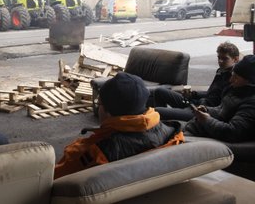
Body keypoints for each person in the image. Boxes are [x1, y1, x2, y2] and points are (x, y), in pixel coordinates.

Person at [54, 72, 184, 179]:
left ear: (108, 112)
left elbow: (54, 179)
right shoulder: (173, 132)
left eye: (99, 103)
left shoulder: (94, 152)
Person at [154, 41, 240, 121]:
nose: (220, 61)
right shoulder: (221, 71)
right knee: (159, 91)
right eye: (219, 58)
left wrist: (201, 106)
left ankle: (160, 123)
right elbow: (212, 92)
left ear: (235, 59)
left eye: (225, 59)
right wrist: (193, 94)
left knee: (157, 111)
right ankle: (161, 123)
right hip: (196, 103)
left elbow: (221, 104)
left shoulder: (236, 79)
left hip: (202, 111)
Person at [184, 55, 255, 142]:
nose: (231, 80)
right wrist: (207, 110)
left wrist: (206, 120)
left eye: (236, 77)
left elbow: (232, 132)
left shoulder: (251, 103)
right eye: (233, 75)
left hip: (209, 140)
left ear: (250, 81)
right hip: (197, 129)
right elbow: (222, 110)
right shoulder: (237, 89)